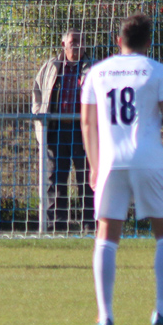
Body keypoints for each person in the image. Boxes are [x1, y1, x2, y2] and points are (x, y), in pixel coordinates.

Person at [81, 13, 163, 325]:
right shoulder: (157, 71)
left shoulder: (97, 72)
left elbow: (88, 122)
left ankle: (105, 316)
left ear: (118, 41)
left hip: (111, 161)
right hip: (150, 158)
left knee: (106, 236)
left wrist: (94, 164)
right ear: (149, 42)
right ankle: (162, 312)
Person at [32, 29, 95, 233]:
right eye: (73, 41)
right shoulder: (50, 68)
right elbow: (37, 95)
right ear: (63, 44)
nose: (77, 45)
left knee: (87, 181)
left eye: (81, 41)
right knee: (55, 180)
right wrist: (40, 119)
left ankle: (89, 227)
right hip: (56, 131)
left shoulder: (94, 68)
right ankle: (56, 228)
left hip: (84, 131)